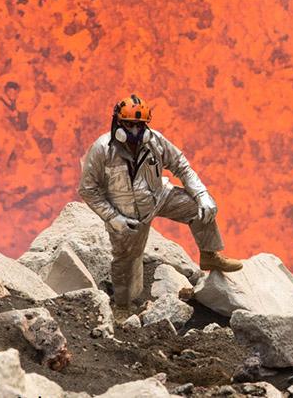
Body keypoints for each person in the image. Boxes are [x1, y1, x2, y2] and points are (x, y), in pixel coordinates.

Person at [78, 94, 242, 314]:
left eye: (139, 125)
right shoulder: (101, 150)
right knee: (125, 260)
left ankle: (210, 255)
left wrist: (202, 194)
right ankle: (122, 307)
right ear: (117, 123)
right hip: (127, 213)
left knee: (197, 208)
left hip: (159, 195)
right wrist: (112, 217)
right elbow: (88, 190)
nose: (134, 130)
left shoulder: (155, 141)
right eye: (128, 124)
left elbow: (181, 165)